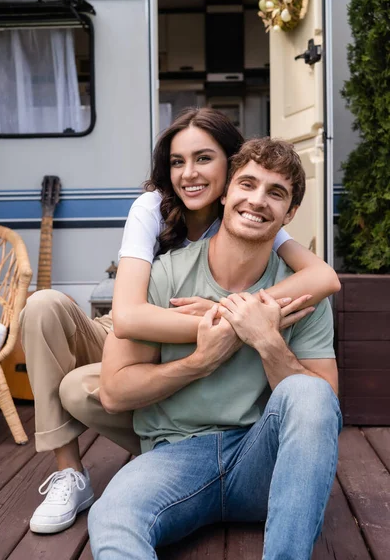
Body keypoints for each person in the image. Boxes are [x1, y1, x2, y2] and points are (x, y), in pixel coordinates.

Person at [21, 108, 340, 535]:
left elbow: (323, 278)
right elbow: (129, 316)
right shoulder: (152, 208)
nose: (189, 173)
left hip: (196, 348)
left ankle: (184, 463)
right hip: (139, 320)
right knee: (50, 323)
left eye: (204, 158)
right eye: (177, 161)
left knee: (304, 395)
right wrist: (230, 323)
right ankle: (75, 472)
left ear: (229, 166)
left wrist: (258, 330)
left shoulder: (257, 205)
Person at [89, 137, 342, 560]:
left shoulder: (304, 293)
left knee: (310, 391)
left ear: (290, 213)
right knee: (111, 518)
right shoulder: (165, 276)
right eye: (247, 184)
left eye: (276, 193)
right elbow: (114, 393)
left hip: (263, 458)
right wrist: (200, 361)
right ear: (225, 194)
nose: (258, 201)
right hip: (175, 457)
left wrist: (266, 339)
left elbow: (323, 406)